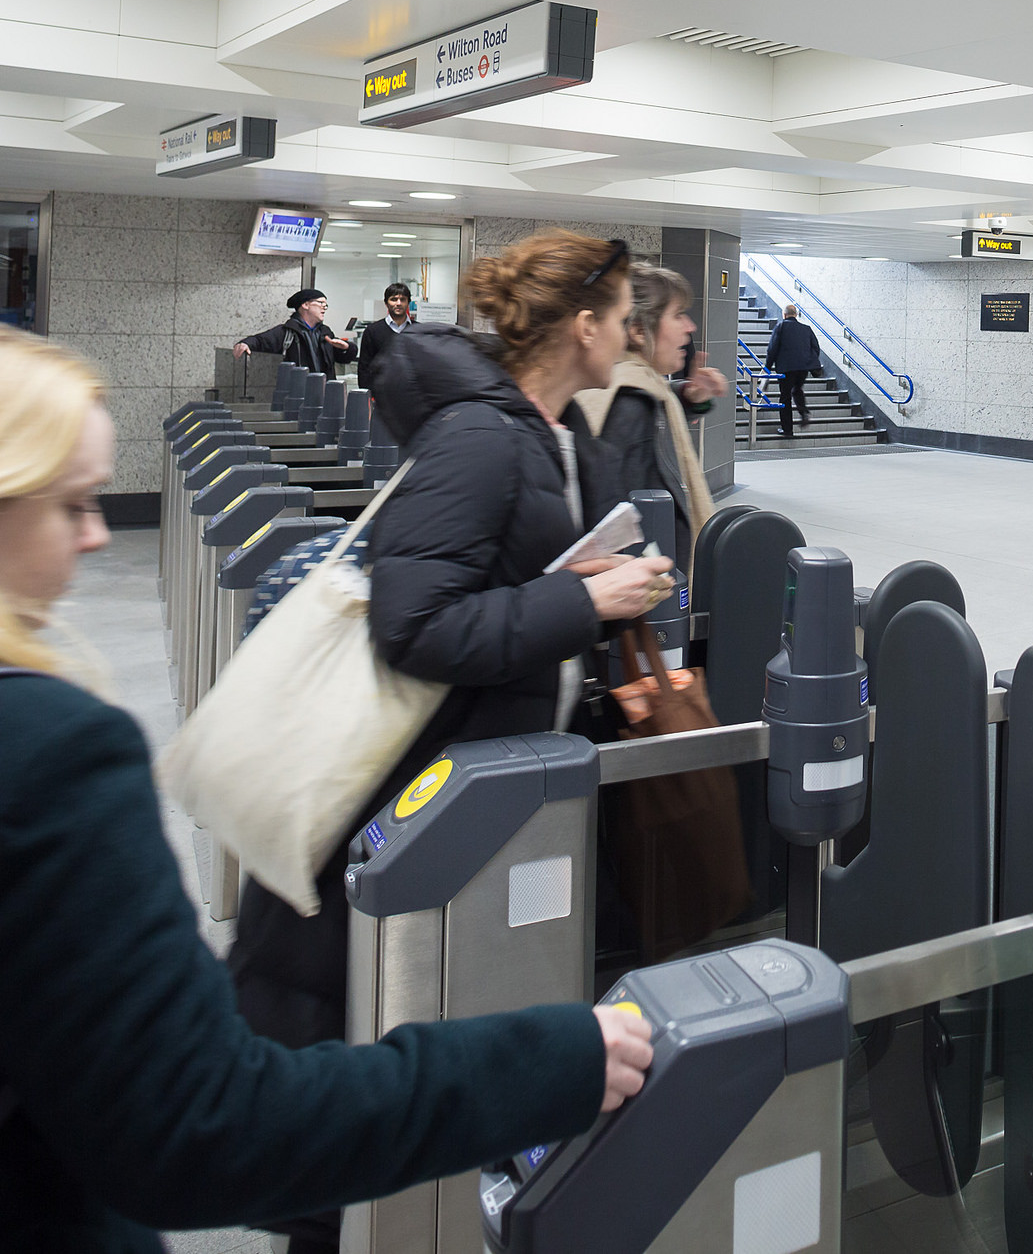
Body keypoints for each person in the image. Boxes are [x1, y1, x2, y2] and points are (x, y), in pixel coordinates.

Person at [0, 329, 655, 1254]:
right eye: (71, 503)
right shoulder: (50, 750)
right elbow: (198, 1120)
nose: (99, 533)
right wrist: (555, 1060)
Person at [234, 231, 674, 1250]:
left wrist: (594, 590)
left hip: (482, 802)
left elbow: (507, 583)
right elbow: (415, 624)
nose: (632, 336)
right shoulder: (480, 437)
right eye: (621, 318)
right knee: (360, 1098)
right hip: (402, 803)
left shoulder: (556, 436)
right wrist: (584, 603)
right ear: (582, 325)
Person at [570, 263, 731, 579]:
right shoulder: (630, 402)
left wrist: (688, 396)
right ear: (638, 330)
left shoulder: (629, 386)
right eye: (677, 315)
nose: (689, 327)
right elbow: (636, 528)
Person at [232, 289, 356, 377]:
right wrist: (245, 344)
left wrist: (347, 348)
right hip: (297, 395)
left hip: (324, 394)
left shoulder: (325, 333)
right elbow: (260, 341)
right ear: (305, 305)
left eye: (326, 305)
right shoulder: (287, 332)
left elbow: (343, 359)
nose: (324, 307)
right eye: (320, 303)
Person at [763, 303, 820, 437]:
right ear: (796, 314)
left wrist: (767, 368)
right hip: (803, 368)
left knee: (785, 397)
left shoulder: (781, 327)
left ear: (784, 315)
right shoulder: (806, 329)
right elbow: (815, 348)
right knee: (797, 389)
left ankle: (787, 430)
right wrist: (809, 362)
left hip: (786, 368)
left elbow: (772, 349)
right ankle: (803, 412)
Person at [354, 281, 413, 393]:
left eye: (403, 299)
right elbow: (364, 368)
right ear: (386, 303)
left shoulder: (418, 330)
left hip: (411, 395)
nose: (398, 303)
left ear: (408, 302)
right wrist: (367, 396)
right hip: (380, 395)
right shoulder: (372, 331)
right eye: (394, 299)